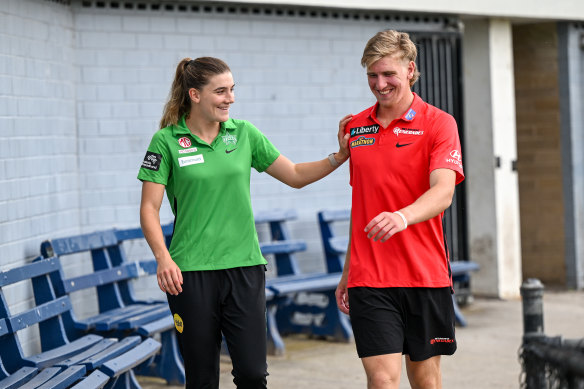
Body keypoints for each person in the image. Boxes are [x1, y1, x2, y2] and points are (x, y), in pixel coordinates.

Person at [138, 56, 350, 389]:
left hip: (244, 268)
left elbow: (294, 175)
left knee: (252, 374)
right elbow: (149, 208)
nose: (230, 98)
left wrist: (338, 156)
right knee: (202, 377)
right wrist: (163, 258)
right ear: (195, 95)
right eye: (221, 91)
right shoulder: (165, 142)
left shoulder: (244, 134)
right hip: (190, 274)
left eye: (232, 90)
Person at [335, 30, 465, 389]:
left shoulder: (439, 123)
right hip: (370, 278)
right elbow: (361, 204)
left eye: (388, 74)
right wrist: (348, 271)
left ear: (410, 70)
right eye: (372, 75)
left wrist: (402, 216)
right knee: (381, 380)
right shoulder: (356, 128)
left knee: (425, 380)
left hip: (424, 274)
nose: (380, 84)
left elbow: (443, 191)